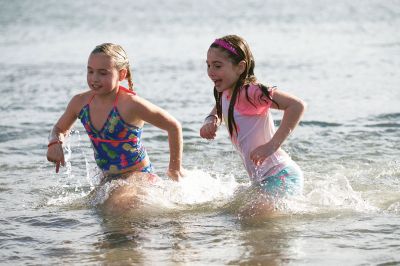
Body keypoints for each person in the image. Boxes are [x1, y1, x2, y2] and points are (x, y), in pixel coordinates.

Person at [47, 43, 185, 212]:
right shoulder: (80, 102)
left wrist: (174, 169)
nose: (94, 78)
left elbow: (173, 126)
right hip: (109, 179)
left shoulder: (131, 105)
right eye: (90, 71)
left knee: (116, 209)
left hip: (138, 177)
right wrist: (55, 142)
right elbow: (59, 129)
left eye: (102, 73)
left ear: (122, 74)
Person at [200, 35, 306, 218]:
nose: (211, 72)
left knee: (248, 219)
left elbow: (296, 105)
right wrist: (211, 120)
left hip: (281, 174)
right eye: (208, 65)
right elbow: (220, 108)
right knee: (232, 216)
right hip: (262, 179)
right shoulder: (224, 92)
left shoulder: (251, 92)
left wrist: (272, 145)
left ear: (240, 67)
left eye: (217, 66)